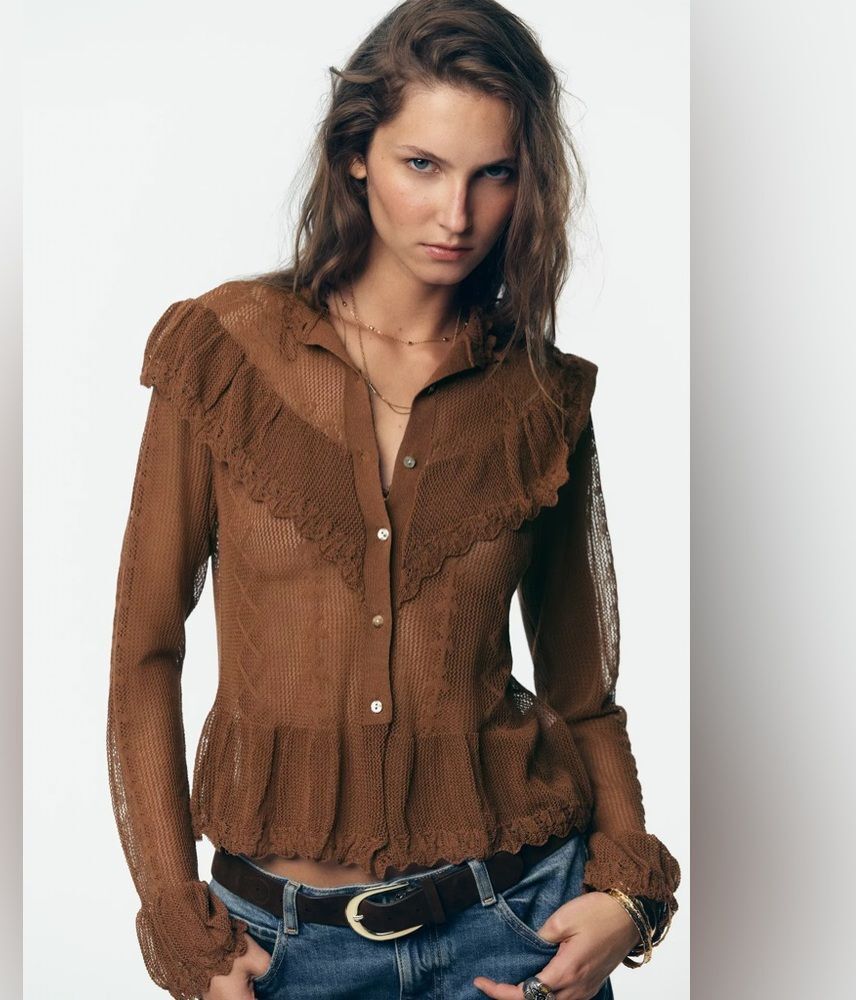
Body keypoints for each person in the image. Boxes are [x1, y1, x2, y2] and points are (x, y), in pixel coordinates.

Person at [106, 2, 681, 998]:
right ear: (356, 155)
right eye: (423, 164)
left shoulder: (541, 398)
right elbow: (144, 653)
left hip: (515, 929)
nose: (456, 213)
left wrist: (628, 894)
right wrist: (178, 921)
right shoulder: (226, 355)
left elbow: (584, 692)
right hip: (275, 949)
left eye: (494, 173)